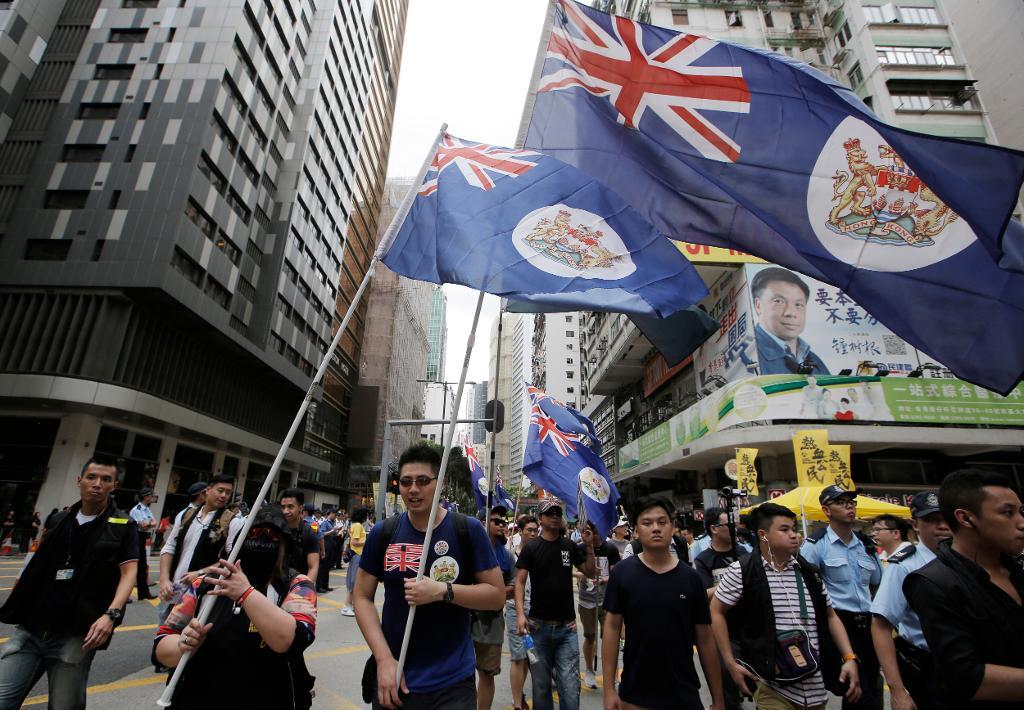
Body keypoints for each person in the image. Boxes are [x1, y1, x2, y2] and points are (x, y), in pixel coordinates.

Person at [354, 443, 504, 710]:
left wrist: (443, 591)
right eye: (406, 482)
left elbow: (496, 596)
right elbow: (362, 597)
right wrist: (383, 659)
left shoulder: (467, 530)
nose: (413, 489)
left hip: (453, 682)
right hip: (396, 678)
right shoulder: (383, 533)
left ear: (441, 483)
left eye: (423, 481)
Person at [0, 456, 138, 709]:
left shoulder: (123, 525)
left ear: (114, 486)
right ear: (79, 481)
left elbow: (129, 572)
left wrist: (111, 614)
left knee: (65, 705)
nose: (97, 484)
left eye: (105, 479)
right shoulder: (59, 519)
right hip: (32, 626)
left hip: (77, 633)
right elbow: (35, 564)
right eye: (91, 477)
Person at [153, 503, 317, 709]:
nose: (263, 539)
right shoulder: (205, 584)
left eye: (273, 535)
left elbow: (292, 640)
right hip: (197, 696)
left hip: (269, 697)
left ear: (284, 542)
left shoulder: (298, 585)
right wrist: (183, 644)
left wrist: (246, 594)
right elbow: (162, 646)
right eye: (255, 532)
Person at [711, 502, 862, 710]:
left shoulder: (809, 572)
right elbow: (716, 611)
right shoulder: (742, 571)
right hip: (771, 684)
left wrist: (849, 657)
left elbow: (830, 616)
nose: (794, 535)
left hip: (815, 685)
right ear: (763, 535)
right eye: (784, 529)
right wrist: (730, 663)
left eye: (794, 529)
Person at [904, 469, 1024, 709]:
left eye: (1021, 511)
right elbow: (966, 677)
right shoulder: (933, 582)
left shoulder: (1017, 571)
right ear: (966, 518)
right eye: (1007, 513)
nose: (1020, 523)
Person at [603, 497, 725, 710]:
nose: (656, 528)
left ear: (673, 527)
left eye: (662, 522)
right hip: (635, 693)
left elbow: (705, 639)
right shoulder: (623, 573)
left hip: (684, 693)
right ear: (637, 530)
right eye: (647, 523)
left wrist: (718, 699)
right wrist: (609, 690)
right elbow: (612, 628)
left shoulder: (690, 578)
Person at [801, 485, 882, 710]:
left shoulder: (865, 545)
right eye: (841, 502)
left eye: (851, 502)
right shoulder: (816, 545)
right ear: (826, 510)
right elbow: (807, 589)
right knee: (858, 691)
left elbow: (876, 583)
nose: (849, 506)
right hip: (838, 624)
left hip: (868, 625)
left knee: (867, 690)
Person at [870, 491, 951, 710]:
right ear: (915, 525)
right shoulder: (905, 565)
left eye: (945, 518)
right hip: (927, 668)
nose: (942, 526)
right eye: (932, 520)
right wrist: (897, 691)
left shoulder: (971, 558)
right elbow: (880, 625)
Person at [514, 499, 596, 710]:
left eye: (558, 512)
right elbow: (520, 582)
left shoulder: (569, 546)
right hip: (537, 628)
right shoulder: (531, 548)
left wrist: (588, 546)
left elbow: (589, 571)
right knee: (541, 689)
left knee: (570, 688)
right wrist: (521, 615)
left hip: (566, 630)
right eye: (549, 513)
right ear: (541, 518)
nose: (554, 516)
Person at [158, 476, 241, 622]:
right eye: (220, 490)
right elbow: (169, 547)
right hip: (173, 590)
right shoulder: (186, 515)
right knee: (162, 638)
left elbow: (231, 560)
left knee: (187, 640)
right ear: (207, 491)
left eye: (228, 493)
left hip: (201, 594)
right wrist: (164, 579)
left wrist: (200, 573)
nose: (223, 496)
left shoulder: (231, 521)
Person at [694, 507, 749, 710]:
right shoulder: (704, 560)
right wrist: (730, 586)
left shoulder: (743, 553)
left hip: (749, 625)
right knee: (726, 676)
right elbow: (703, 594)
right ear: (714, 529)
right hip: (722, 628)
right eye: (728, 525)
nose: (733, 529)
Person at [752, 266, 830, 376]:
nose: (790, 313)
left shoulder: (814, 360)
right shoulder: (750, 355)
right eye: (779, 301)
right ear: (758, 305)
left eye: (798, 304)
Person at [472, 509, 514, 710]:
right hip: (464, 621)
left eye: (502, 521)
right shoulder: (466, 551)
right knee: (459, 676)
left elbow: (514, 588)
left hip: (492, 624)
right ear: (482, 522)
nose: (500, 524)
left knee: (487, 675)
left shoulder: (507, 556)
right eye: (495, 520)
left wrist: (492, 593)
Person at [575, 520, 619, 690]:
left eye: (593, 532)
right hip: (587, 600)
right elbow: (574, 569)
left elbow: (615, 573)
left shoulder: (611, 549)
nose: (591, 536)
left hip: (607, 600)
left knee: (609, 637)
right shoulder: (579, 549)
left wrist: (603, 579)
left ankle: (613, 675)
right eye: (586, 532)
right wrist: (584, 574)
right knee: (590, 636)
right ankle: (589, 670)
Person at [506, 515, 538, 710]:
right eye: (529, 530)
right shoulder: (510, 553)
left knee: (529, 656)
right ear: (520, 531)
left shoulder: (542, 553)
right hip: (514, 609)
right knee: (518, 656)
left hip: (536, 610)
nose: (533, 534)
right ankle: (518, 703)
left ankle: (519, 692)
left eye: (535, 530)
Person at [279, 488, 320, 585]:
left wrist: (305, 591)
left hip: (298, 587)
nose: (285, 511)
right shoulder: (276, 529)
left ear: (300, 508)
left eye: (290, 507)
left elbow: (313, 567)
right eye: (283, 507)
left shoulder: (309, 533)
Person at [130, 487, 158, 600]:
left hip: (142, 538)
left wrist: (148, 524)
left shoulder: (147, 509)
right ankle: (124, 593)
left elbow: (154, 523)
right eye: (151, 495)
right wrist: (149, 524)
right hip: (135, 538)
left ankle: (143, 593)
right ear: (146, 497)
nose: (152, 497)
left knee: (142, 566)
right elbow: (142, 525)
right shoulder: (136, 510)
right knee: (132, 566)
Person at [341, 507, 368, 617]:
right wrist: (367, 541)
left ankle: (350, 605)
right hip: (357, 555)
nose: (367, 517)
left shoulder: (354, 525)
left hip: (356, 555)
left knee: (353, 581)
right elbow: (355, 542)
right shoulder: (358, 526)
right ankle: (347, 606)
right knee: (353, 581)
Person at [316, 508, 338, 593]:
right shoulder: (325, 523)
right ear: (331, 513)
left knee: (327, 566)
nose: (335, 517)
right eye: (335, 515)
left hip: (331, 545)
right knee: (322, 566)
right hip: (325, 544)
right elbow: (322, 534)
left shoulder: (332, 522)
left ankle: (325, 585)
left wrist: (336, 531)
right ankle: (319, 586)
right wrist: (332, 530)